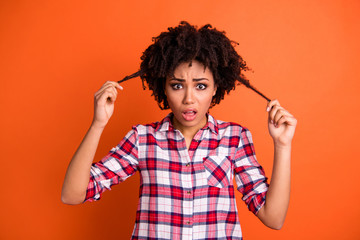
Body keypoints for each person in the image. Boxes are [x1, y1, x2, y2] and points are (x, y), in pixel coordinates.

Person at [61, 21, 297, 239]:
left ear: (216, 87)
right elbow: (72, 195)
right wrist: (98, 123)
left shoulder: (234, 138)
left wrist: (282, 145)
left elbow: (273, 218)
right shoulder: (142, 139)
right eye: (177, 85)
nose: (188, 98)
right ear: (164, 87)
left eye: (201, 86)